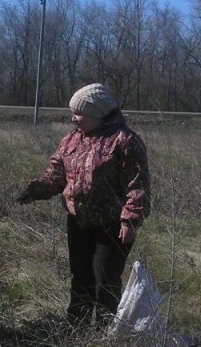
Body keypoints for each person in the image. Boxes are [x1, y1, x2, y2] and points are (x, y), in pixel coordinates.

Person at [16, 83, 150, 328]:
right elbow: (56, 175)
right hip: (78, 221)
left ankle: (105, 332)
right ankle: (76, 328)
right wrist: (36, 190)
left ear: (97, 114)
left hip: (112, 225)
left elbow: (137, 184)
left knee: (104, 281)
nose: (73, 118)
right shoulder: (70, 140)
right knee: (80, 277)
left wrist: (130, 220)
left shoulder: (124, 141)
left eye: (78, 113)